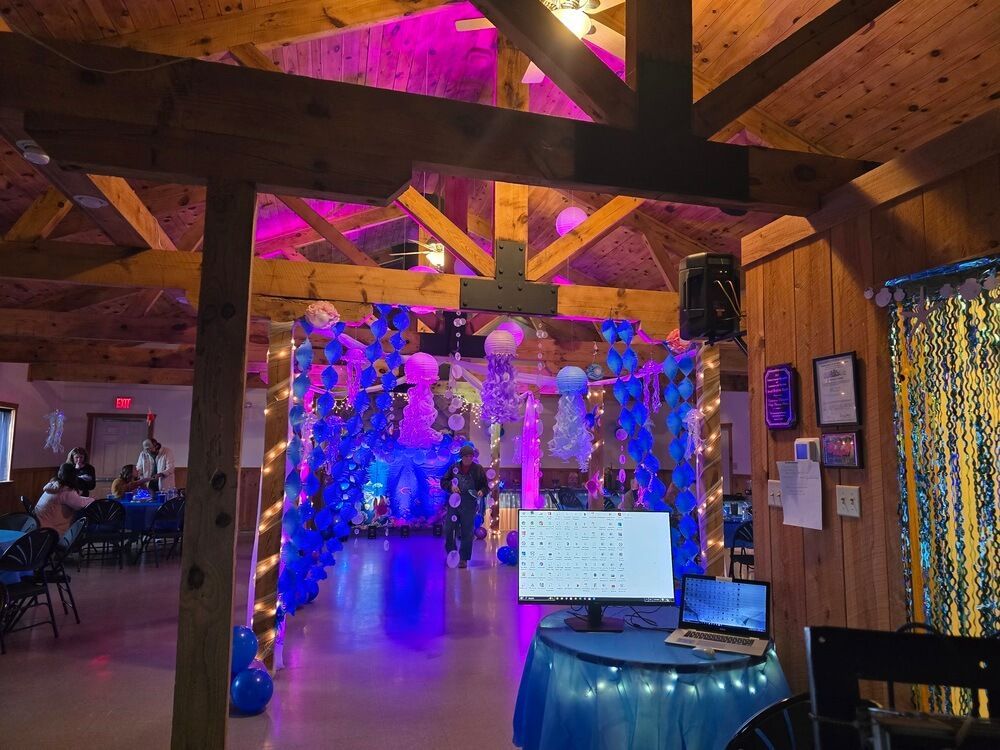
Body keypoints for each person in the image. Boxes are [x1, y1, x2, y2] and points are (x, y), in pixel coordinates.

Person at [439, 444, 488, 568]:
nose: (469, 459)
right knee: (449, 528)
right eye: (466, 456)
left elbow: (485, 486)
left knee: (467, 531)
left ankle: (464, 559)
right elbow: (443, 481)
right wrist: (451, 486)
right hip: (454, 503)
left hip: (469, 504)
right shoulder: (454, 468)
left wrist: (482, 491)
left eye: (471, 456)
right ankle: (452, 554)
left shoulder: (478, 469)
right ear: (461, 457)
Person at [34, 463, 95, 536]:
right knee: (82, 519)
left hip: (37, 526)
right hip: (50, 531)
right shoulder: (67, 491)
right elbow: (80, 504)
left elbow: (75, 500)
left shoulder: (54, 485)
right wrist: (92, 499)